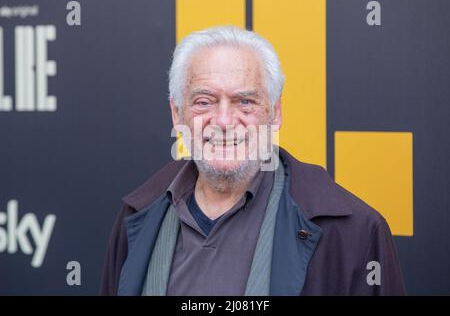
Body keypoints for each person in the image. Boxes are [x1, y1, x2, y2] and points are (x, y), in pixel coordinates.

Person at [101, 25, 405, 296]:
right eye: (204, 102)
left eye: (244, 102)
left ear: (274, 113)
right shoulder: (137, 216)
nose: (223, 120)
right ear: (177, 114)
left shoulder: (354, 232)